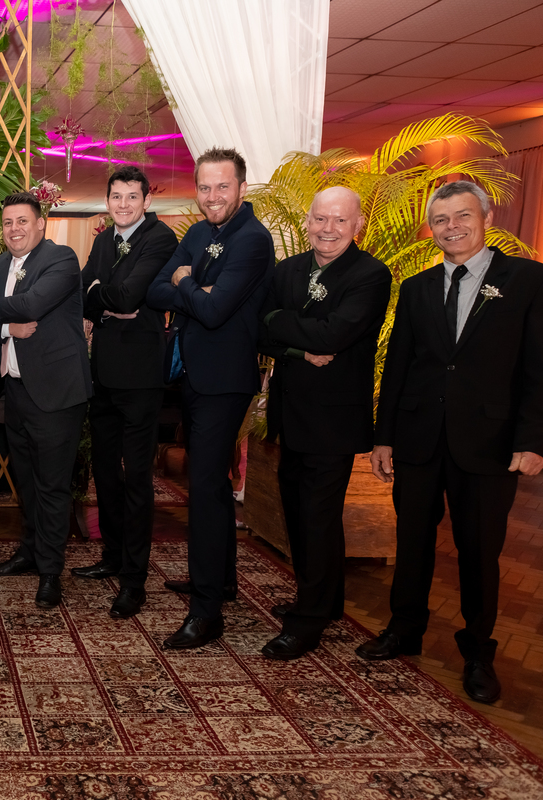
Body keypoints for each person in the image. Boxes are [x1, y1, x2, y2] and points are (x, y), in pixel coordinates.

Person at [358, 180, 543, 704]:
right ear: (432, 228)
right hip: (418, 438)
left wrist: (535, 441)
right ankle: (404, 630)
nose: (452, 228)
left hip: (489, 442)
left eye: (463, 216)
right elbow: (399, 366)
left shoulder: (533, 280)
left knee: (479, 549)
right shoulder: (417, 288)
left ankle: (478, 653)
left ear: (486, 218)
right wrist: (384, 438)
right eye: (442, 220)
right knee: (412, 541)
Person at [146, 146, 274, 648]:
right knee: (212, 485)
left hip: (226, 380)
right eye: (205, 187)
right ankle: (221, 581)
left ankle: (206, 613)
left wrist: (188, 281)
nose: (213, 196)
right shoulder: (200, 233)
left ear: (241, 187)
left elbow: (217, 311)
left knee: (201, 488)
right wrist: (195, 288)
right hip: (194, 376)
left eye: (223, 186)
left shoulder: (253, 239)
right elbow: (157, 289)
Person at [256, 187, 391, 659]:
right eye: (320, 219)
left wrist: (281, 320)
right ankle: (325, 600)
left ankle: (307, 621)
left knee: (316, 517)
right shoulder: (288, 269)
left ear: (358, 226)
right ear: (308, 220)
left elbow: (335, 334)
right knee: (302, 514)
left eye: (339, 220)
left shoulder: (370, 274)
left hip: (333, 421)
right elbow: (259, 330)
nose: (327, 229)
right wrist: (299, 347)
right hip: (290, 415)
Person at [73, 166, 178, 619]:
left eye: (132, 197)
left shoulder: (160, 238)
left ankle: (134, 580)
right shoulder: (103, 241)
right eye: (116, 196)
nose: (123, 204)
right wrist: (104, 298)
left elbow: (129, 296)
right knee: (104, 473)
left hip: (140, 378)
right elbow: (83, 294)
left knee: (137, 479)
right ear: (108, 200)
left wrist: (105, 295)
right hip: (103, 375)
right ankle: (112, 556)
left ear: (146, 201)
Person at [0, 192, 91, 607]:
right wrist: (5, 326)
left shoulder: (60, 259)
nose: (15, 229)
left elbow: (33, 303)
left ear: (40, 223)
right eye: (8, 222)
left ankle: (50, 571)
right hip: (15, 390)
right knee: (25, 481)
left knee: (52, 486)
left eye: (22, 221)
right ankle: (29, 552)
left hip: (57, 393)